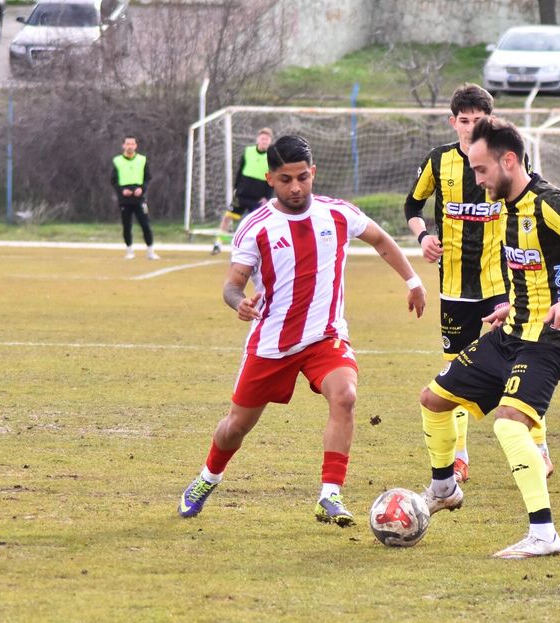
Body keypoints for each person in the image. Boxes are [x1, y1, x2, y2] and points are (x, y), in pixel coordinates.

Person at [178, 135, 427, 525]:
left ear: (313, 173)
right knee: (236, 426)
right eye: (285, 180)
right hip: (271, 343)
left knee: (345, 396)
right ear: (270, 179)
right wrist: (238, 302)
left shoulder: (338, 214)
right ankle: (208, 477)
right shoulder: (256, 227)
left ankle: (330, 495)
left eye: (302, 178)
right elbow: (232, 284)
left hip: (325, 337)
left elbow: (380, 239)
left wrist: (413, 282)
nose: (295, 187)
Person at [417, 116, 560, 558]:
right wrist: (513, 303)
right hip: (510, 333)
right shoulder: (506, 206)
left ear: (509, 160)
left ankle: (544, 534)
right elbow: (536, 265)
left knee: (509, 423)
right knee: (433, 399)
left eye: (481, 169)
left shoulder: (549, 203)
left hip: (550, 341)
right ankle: (444, 489)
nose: (477, 179)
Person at [406, 84, 554, 485]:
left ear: (490, 121)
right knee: (454, 370)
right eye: (464, 120)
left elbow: (531, 202)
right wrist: (423, 237)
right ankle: (459, 457)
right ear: (452, 122)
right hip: (454, 286)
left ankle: (539, 448)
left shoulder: (506, 162)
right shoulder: (438, 161)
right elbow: (412, 205)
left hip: (501, 283)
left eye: (478, 120)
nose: (470, 127)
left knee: (521, 362)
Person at [217, 127, 276, 254]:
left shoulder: (272, 157)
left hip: (258, 199)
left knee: (259, 224)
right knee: (227, 217)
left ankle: (257, 250)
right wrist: (235, 189)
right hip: (241, 195)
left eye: (267, 139)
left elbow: (273, 178)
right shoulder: (248, 151)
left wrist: (267, 197)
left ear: (270, 141)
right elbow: (240, 171)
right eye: (262, 138)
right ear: (258, 139)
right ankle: (218, 243)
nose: (264, 141)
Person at [111, 135, 156, 260]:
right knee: (127, 226)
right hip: (125, 200)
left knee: (145, 225)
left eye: (132, 144)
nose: (130, 146)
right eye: (127, 144)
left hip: (139, 199)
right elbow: (113, 181)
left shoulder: (142, 160)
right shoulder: (117, 161)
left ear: (136, 146)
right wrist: (122, 190)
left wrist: (142, 188)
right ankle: (129, 251)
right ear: (123, 146)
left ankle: (150, 251)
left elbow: (148, 178)